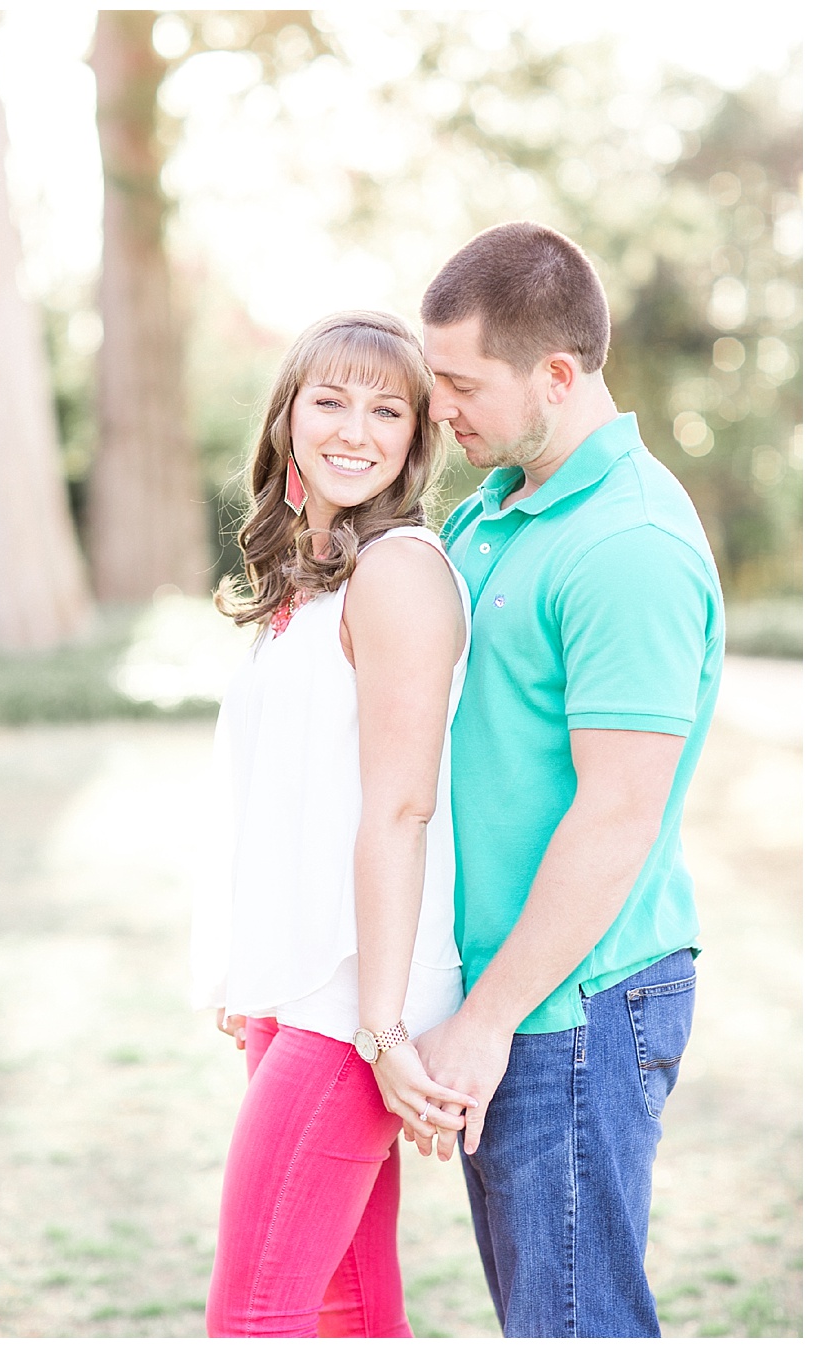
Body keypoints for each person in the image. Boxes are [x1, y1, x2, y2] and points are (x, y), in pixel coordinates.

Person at [413, 222, 724, 1337]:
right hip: (508, 994)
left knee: (576, 1325)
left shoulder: (627, 546)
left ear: (556, 374)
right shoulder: (491, 508)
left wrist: (488, 1018)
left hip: (574, 1005)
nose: (439, 408)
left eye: (460, 384)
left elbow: (619, 811)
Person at [191, 310, 479, 1337]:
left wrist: (386, 1026)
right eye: (331, 399)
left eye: (386, 408)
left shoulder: (399, 569)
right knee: (349, 1311)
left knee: (254, 1318)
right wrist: (248, 971)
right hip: (300, 983)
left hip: (354, 1000)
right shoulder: (313, 581)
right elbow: (285, 794)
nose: (355, 429)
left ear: (414, 438)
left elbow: (402, 806)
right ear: (289, 417)